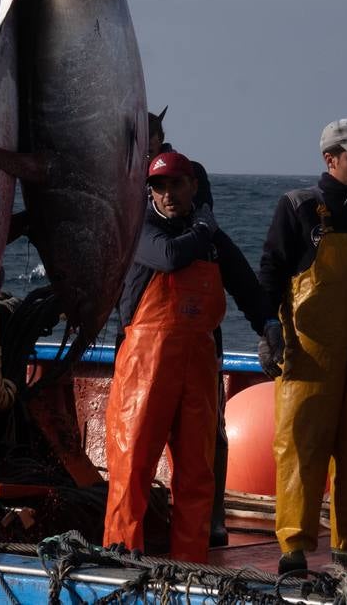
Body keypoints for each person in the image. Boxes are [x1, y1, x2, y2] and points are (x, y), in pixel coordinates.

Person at [105, 152, 279, 562]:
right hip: (143, 371)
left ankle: (190, 562)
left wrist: (270, 326)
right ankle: (120, 556)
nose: (167, 195)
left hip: (199, 368)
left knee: (197, 473)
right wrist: (204, 229)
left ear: (193, 187)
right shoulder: (141, 229)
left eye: (176, 185)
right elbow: (169, 257)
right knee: (132, 468)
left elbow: (246, 286)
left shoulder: (213, 241)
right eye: (159, 187)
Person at [258, 120, 347, 572]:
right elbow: (271, 270)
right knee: (301, 444)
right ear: (330, 159)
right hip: (308, 351)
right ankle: (294, 545)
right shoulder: (297, 207)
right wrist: (269, 331)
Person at [145, 107, 231, 546]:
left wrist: (268, 323)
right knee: (141, 441)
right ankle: (132, 539)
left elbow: (214, 246)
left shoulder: (185, 174)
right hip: (145, 339)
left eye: (153, 136)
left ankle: (210, 522)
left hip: (198, 334)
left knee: (206, 435)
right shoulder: (130, 182)